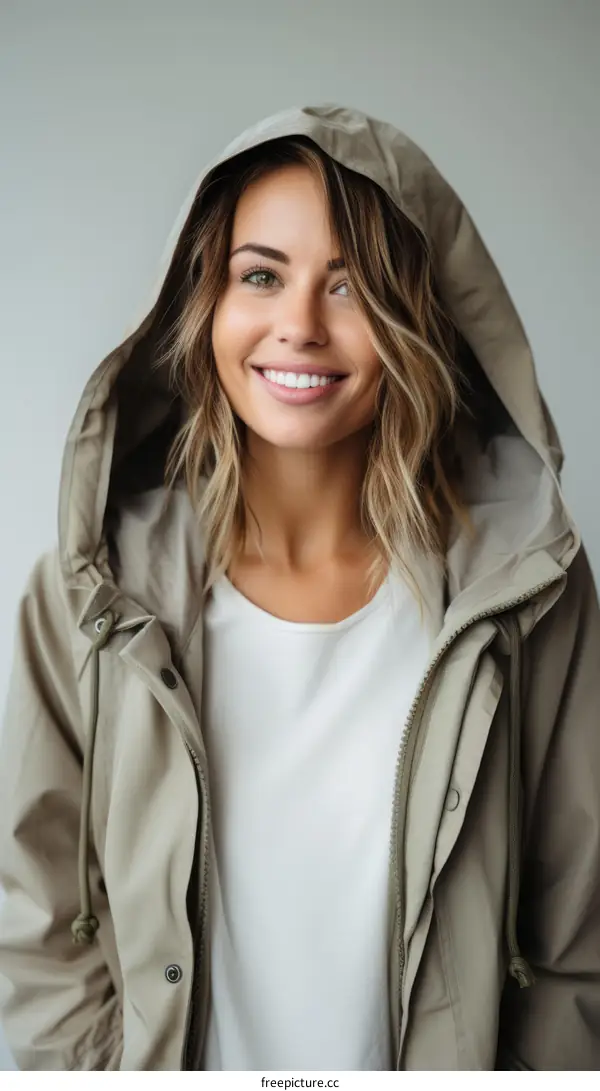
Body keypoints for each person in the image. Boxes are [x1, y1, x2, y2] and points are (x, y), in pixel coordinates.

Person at [0, 104, 599, 1073]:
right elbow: (32, 906)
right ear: (207, 301)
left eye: (352, 288)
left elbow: (578, 938)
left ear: (416, 316)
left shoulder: (525, 592)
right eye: (261, 275)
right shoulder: (91, 593)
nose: (300, 327)